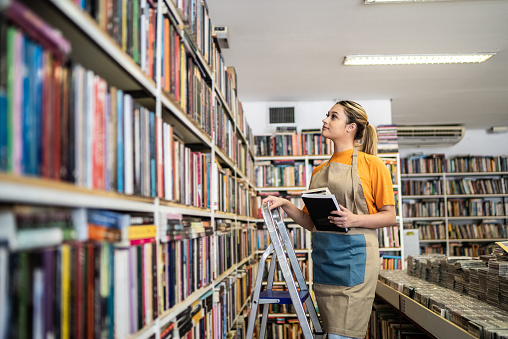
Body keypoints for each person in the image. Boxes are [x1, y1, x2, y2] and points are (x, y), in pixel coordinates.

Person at [262, 100, 396, 339]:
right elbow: (311, 222)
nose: (325, 120)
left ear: (350, 127)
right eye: (327, 115)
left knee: (342, 334)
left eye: (333, 116)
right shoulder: (318, 170)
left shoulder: (373, 165)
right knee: (331, 333)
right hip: (325, 263)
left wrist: (353, 220)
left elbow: (389, 216)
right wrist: (286, 204)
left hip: (356, 262)